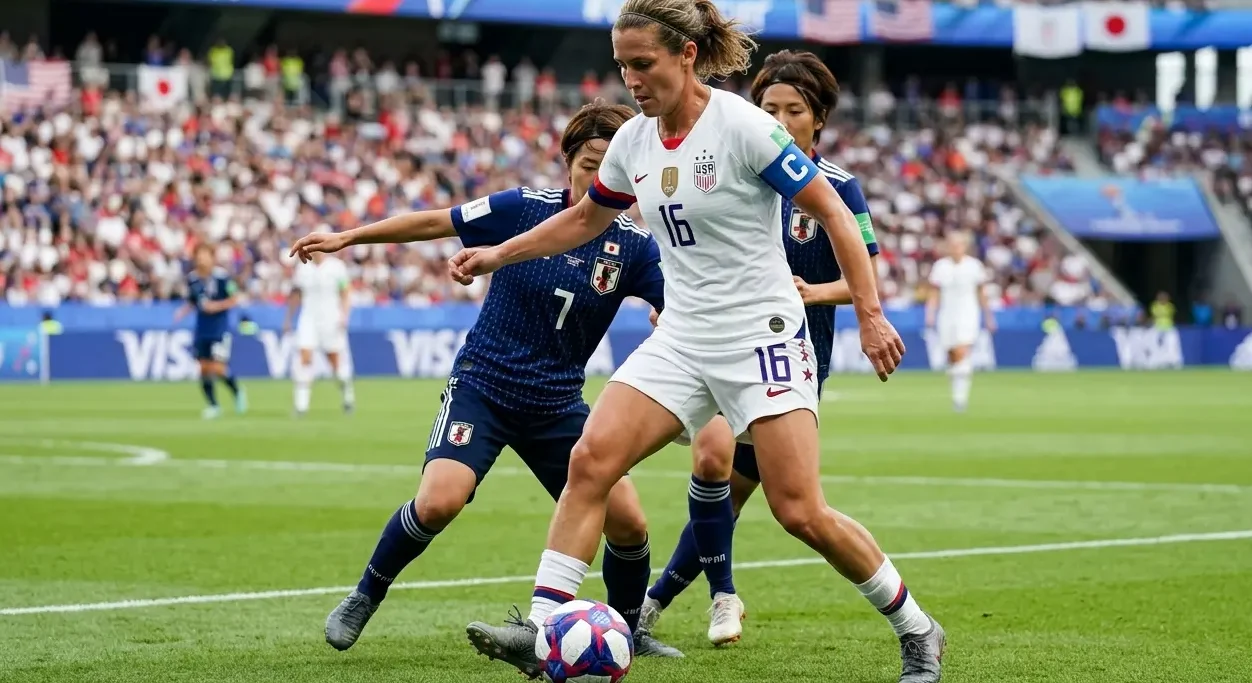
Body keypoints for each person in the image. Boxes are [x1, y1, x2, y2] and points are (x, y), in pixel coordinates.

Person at [458, 3, 943, 682]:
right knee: (590, 460)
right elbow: (586, 218)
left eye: (643, 64)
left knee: (799, 510)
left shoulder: (744, 127)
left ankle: (917, 628)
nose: (631, 80)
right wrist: (498, 253)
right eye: (622, 66)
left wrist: (870, 314)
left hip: (761, 336)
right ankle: (541, 629)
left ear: (687, 56)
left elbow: (832, 211)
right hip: (683, 335)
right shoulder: (633, 140)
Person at [288, 101, 684, 667]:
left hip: (557, 404)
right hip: (485, 387)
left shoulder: (636, 247)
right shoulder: (524, 209)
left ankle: (627, 632)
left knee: (629, 522)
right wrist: (348, 238)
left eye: (613, 168)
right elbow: (437, 221)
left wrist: (669, 314)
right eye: (589, 165)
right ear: (568, 163)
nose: (601, 179)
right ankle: (365, 595)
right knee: (438, 501)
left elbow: (681, 304)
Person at [637, 48, 880, 647]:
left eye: (794, 110)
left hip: (791, 358)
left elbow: (866, 278)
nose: (780, 120)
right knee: (710, 461)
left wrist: (814, 292)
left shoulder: (839, 189)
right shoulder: (736, 168)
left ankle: (666, 601)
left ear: (818, 119)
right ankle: (698, 601)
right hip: (721, 344)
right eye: (769, 108)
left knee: (756, 498)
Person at [924, 231, 995, 412]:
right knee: (952, 356)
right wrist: (930, 313)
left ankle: (960, 399)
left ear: (965, 246)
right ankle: (957, 393)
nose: (955, 248)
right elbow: (934, 293)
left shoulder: (974, 266)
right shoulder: (941, 267)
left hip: (968, 313)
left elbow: (982, 293)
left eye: (959, 245)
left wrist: (989, 316)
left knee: (962, 351)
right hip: (946, 314)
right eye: (952, 245)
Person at [174, 243, 247, 419]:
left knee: (218, 368)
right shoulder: (192, 279)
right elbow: (194, 301)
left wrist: (216, 306)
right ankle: (213, 405)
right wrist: (183, 311)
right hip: (202, 329)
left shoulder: (222, 277)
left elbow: (235, 298)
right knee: (204, 369)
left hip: (219, 329)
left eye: (205, 255)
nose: (201, 259)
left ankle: (237, 391)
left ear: (212, 257)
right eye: (198, 255)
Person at [283, 247, 355, 416]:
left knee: (335, 364)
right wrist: (288, 318)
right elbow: (296, 295)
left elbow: (345, 292)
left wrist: (345, 315)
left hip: (331, 319)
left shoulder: (337, 267)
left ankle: (347, 395)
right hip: (308, 318)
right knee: (304, 359)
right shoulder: (303, 268)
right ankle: (301, 405)